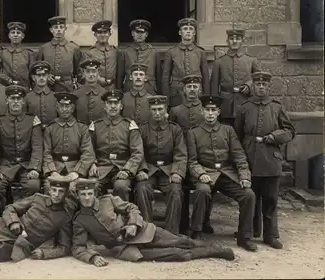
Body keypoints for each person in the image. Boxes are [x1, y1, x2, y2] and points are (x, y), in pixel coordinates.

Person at [71, 178, 235, 266]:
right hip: (126, 247)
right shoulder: (80, 220)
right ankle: (212, 253)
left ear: (94, 194)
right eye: (83, 194)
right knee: (177, 254)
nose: (87, 198)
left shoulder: (108, 200)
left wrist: (134, 225)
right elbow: (78, 247)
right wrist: (91, 257)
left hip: (143, 231)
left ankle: (215, 248)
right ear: (78, 196)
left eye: (90, 194)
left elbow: (132, 208)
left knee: (181, 241)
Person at [187, 95, 257, 251]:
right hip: (205, 172)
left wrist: (244, 176)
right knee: (202, 190)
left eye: (213, 110)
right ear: (201, 111)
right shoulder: (193, 133)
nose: (210, 114)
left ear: (218, 112)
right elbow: (191, 161)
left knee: (248, 194)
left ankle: (244, 236)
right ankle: (196, 231)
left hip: (226, 173)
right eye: (207, 110)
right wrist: (200, 174)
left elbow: (239, 155)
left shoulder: (228, 130)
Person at [234, 72, 296, 249]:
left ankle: (270, 235)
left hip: (271, 159)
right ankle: (250, 231)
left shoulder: (276, 107)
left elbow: (290, 131)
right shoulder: (244, 108)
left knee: (270, 199)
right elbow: (237, 136)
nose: (261, 87)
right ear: (253, 86)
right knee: (250, 197)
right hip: (250, 158)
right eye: (258, 84)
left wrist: (274, 136)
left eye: (264, 85)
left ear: (269, 87)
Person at [0, 85, 43, 219]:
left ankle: (26, 217)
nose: (16, 101)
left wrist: (34, 168)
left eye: (19, 98)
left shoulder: (32, 120)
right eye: (12, 98)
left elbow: (37, 147)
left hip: (26, 165)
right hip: (6, 165)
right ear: (7, 100)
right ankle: (2, 217)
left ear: (23, 101)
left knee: (34, 185)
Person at [169, 74, 215, 235]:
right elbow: (172, 132)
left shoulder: (205, 110)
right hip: (181, 153)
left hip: (200, 155)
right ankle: (182, 222)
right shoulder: (176, 110)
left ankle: (204, 221)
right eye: (189, 86)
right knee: (182, 186)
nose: (192, 89)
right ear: (183, 90)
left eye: (195, 86)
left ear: (200, 89)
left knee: (206, 187)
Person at [137, 95, 187, 234]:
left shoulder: (175, 129)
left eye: (160, 109)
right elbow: (138, 152)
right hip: (149, 170)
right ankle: (146, 230)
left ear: (166, 109)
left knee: (176, 191)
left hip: (168, 171)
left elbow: (180, 153)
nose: (157, 113)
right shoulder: (143, 129)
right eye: (154, 109)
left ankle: (172, 233)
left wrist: (176, 172)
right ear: (150, 110)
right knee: (142, 189)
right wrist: (141, 170)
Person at [88, 89, 146, 203]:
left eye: (116, 103)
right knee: (91, 186)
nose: (113, 106)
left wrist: (127, 170)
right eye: (109, 103)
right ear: (105, 106)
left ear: (121, 106)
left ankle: (122, 218)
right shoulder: (95, 125)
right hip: (101, 168)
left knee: (121, 186)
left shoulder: (129, 125)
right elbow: (88, 149)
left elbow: (137, 152)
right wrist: (92, 163)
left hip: (122, 167)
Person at [42, 92, 96, 192]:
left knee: (72, 188)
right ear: (57, 108)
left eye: (67, 106)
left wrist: (76, 172)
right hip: (56, 167)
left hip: (75, 167)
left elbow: (88, 153)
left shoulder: (82, 128)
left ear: (73, 108)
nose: (64, 109)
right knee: (49, 188)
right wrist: (53, 172)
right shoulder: (50, 128)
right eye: (61, 106)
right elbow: (46, 153)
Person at [211, 27, 261, 126]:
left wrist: (249, 85)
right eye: (231, 38)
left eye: (237, 39)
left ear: (242, 41)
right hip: (225, 106)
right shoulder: (219, 62)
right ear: (227, 41)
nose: (234, 41)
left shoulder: (251, 61)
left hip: (245, 103)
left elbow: (259, 80)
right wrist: (214, 108)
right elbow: (214, 87)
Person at [162, 18, 209, 107]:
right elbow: (165, 78)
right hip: (176, 93)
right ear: (180, 32)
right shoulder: (171, 52)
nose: (188, 32)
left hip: (196, 93)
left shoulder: (200, 52)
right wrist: (166, 100)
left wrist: (206, 98)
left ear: (194, 33)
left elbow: (205, 77)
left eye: (191, 29)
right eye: (185, 29)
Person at [36, 16, 82, 92]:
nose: (58, 30)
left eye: (61, 27)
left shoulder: (73, 48)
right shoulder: (44, 48)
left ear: (65, 29)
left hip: (67, 87)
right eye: (55, 27)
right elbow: (38, 68)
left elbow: (78, 71)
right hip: (48, 87)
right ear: (51, 30)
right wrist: (46, 76)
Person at [118, 19, 161, 94]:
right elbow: (120, 77)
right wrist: (119, 92)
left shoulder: (154, 52)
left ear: (146, 34)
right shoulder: (125, 52)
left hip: (149, 90)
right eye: (137, 32)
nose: (139, 35)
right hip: (129, 91)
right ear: (132, 33)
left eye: (142, 32)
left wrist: (160, 93)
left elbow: (159, 76)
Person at [84, 20, 120, 90]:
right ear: (95, 35)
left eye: (105, 32)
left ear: (110, 34)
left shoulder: (115, 51)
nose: (102, 35)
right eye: (99, 32)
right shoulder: (89, 53)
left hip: (113, 88)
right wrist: (99, 79)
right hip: (95, 88)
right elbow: (84, 72)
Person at [0, 21, 35, 89]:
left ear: (23, 36)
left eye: (18, 33)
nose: (15, 35)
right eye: (13, 33)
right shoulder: (1, 53)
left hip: (24, 88)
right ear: (9, 36)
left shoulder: (29, 54)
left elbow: (33, 73)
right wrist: (8, 80)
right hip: (6, 88)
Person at [25, 61, 58, 130]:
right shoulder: (27, 97)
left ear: (48, 76)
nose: (42, 78)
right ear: (33, 77)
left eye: (44, 75)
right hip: (33, 132)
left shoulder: (55, 97)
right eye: (39, 75)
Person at [73, 58, 107, 125]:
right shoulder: (76, 94)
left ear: (98, 73)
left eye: (94, 71)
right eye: (88, 71)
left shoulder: (105, 94)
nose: (91, 74)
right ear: (83, 73)